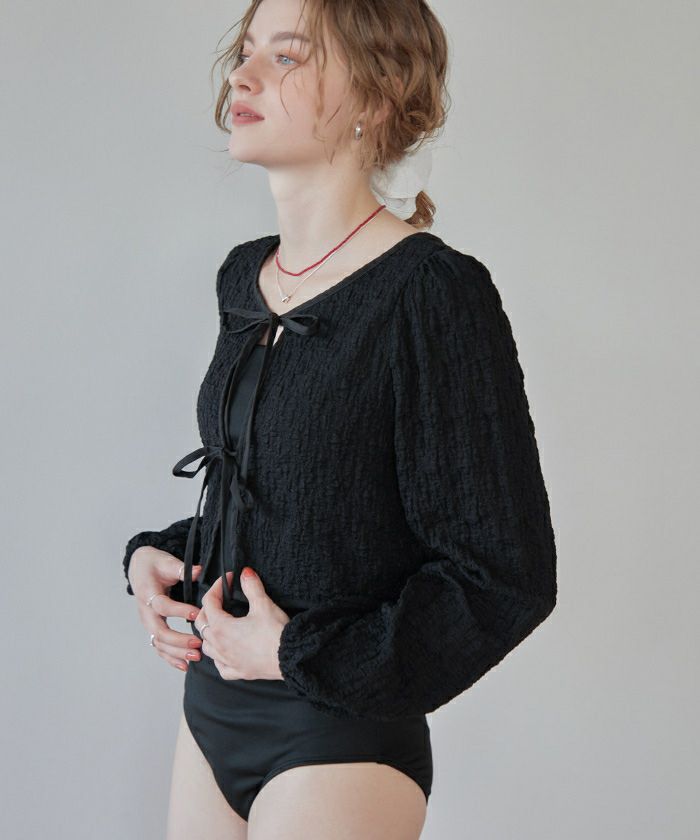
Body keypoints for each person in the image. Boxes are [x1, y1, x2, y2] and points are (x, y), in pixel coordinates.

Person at [122, 1, 558, 837]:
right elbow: (304, 502)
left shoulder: (431, 294)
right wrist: (161, 557)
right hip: (209, 711)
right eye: (246, 50)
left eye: (286, 57)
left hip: (337, 739)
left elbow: (504, 576)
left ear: (376, 94)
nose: (243, 74)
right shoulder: (243, 278)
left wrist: (299, 654)